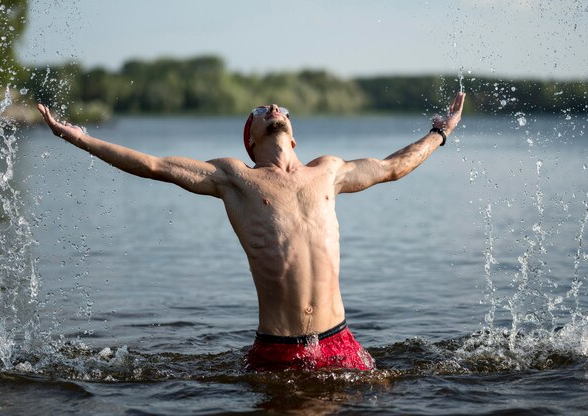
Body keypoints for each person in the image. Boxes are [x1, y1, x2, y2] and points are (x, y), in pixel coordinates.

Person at [37, 92, 465, 372]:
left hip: (341, 343)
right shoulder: (234, 178)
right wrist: (82, 139)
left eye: (279, 109)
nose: (272, 109)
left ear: (293, 137)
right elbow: (153, 165)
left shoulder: (329, 171)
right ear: (251, 138)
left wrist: (440, 132)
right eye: (260, 112)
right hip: (276, 351)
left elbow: (393, 167)